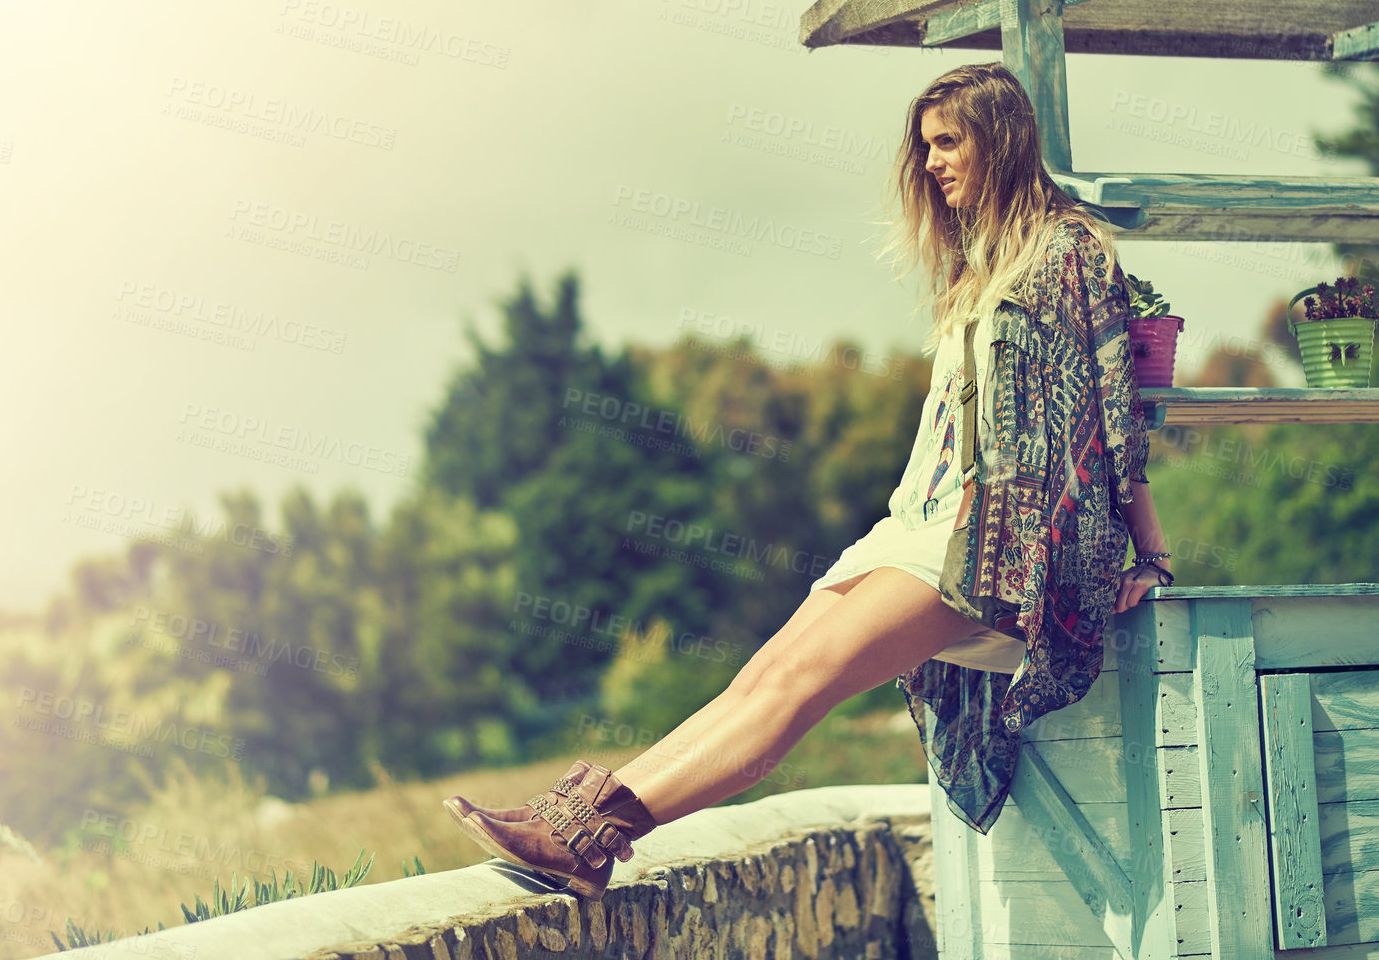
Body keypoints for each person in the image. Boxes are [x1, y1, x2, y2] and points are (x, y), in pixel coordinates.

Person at [443, 61, 1171, 899]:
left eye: (948, 142)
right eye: (925, 145)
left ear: (1000, 141)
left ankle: (592, 836)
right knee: (758, 675)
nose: (932, 163)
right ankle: (578, 820)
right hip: (920, 520)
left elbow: (1118, 413)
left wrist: (1150, 553)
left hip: (1000, 547)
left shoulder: (1069, 253)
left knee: (799, 685)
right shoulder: (974, 275)